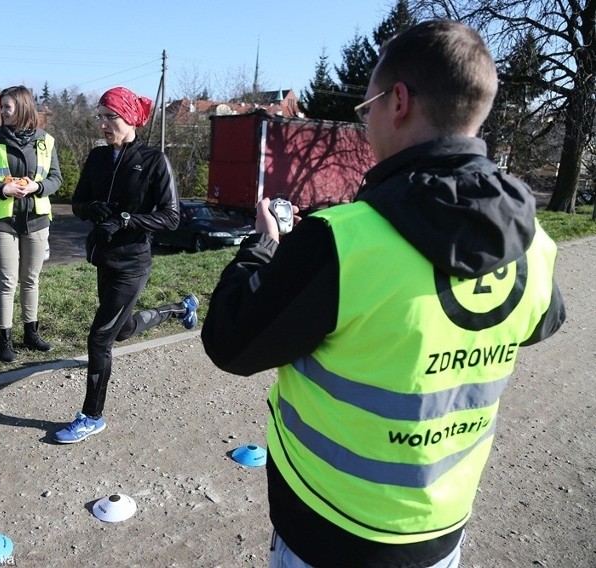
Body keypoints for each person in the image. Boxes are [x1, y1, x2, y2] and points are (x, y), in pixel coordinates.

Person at [201, 20, 566, 568]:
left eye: (367, 106)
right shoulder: (534, 245)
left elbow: (230, 342)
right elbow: (541, 323)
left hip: (327, 527)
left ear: (398, 102)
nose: (366, 122)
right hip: (440, 530)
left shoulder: (342, 241)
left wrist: (262, 248)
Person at [57, 86, 198, 444]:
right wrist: (94, 210)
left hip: (134, 262)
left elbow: (170, 217)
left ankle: (92, 416)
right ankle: (181, 308)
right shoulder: (97, 158)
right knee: (121, 329)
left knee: (100, 338)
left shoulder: (154, 161)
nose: (104, 124)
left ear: (130, 118)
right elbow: (77, 203)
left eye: (112, 117)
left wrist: (126, 219)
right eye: (100, 117)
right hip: (104, 257)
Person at [0, 85, 62, 361]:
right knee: (7, 281)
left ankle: (31, 333)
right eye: (1, 107)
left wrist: (36, 187)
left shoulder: (46, 141)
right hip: (4, 219)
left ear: (23, 107)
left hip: (36, 219)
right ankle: (4, 340)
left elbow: (56, 179)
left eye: (6, 107)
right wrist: (4, 190)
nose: (2, 111)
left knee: (31, 279)